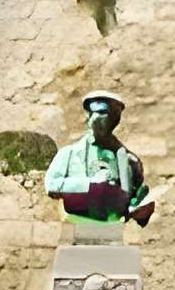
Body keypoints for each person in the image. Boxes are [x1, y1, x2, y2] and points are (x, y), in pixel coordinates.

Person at [41, 92, 154, 226]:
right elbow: (51, 185)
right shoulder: (69, 153)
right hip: (78, 223)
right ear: (88, 115)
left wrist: (139, 209)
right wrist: (90, 184)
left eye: (104, 113)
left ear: (115, 119)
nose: (97, 118)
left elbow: (135, 201)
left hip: (113, 227)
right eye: (94, 112)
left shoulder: (130, 161)